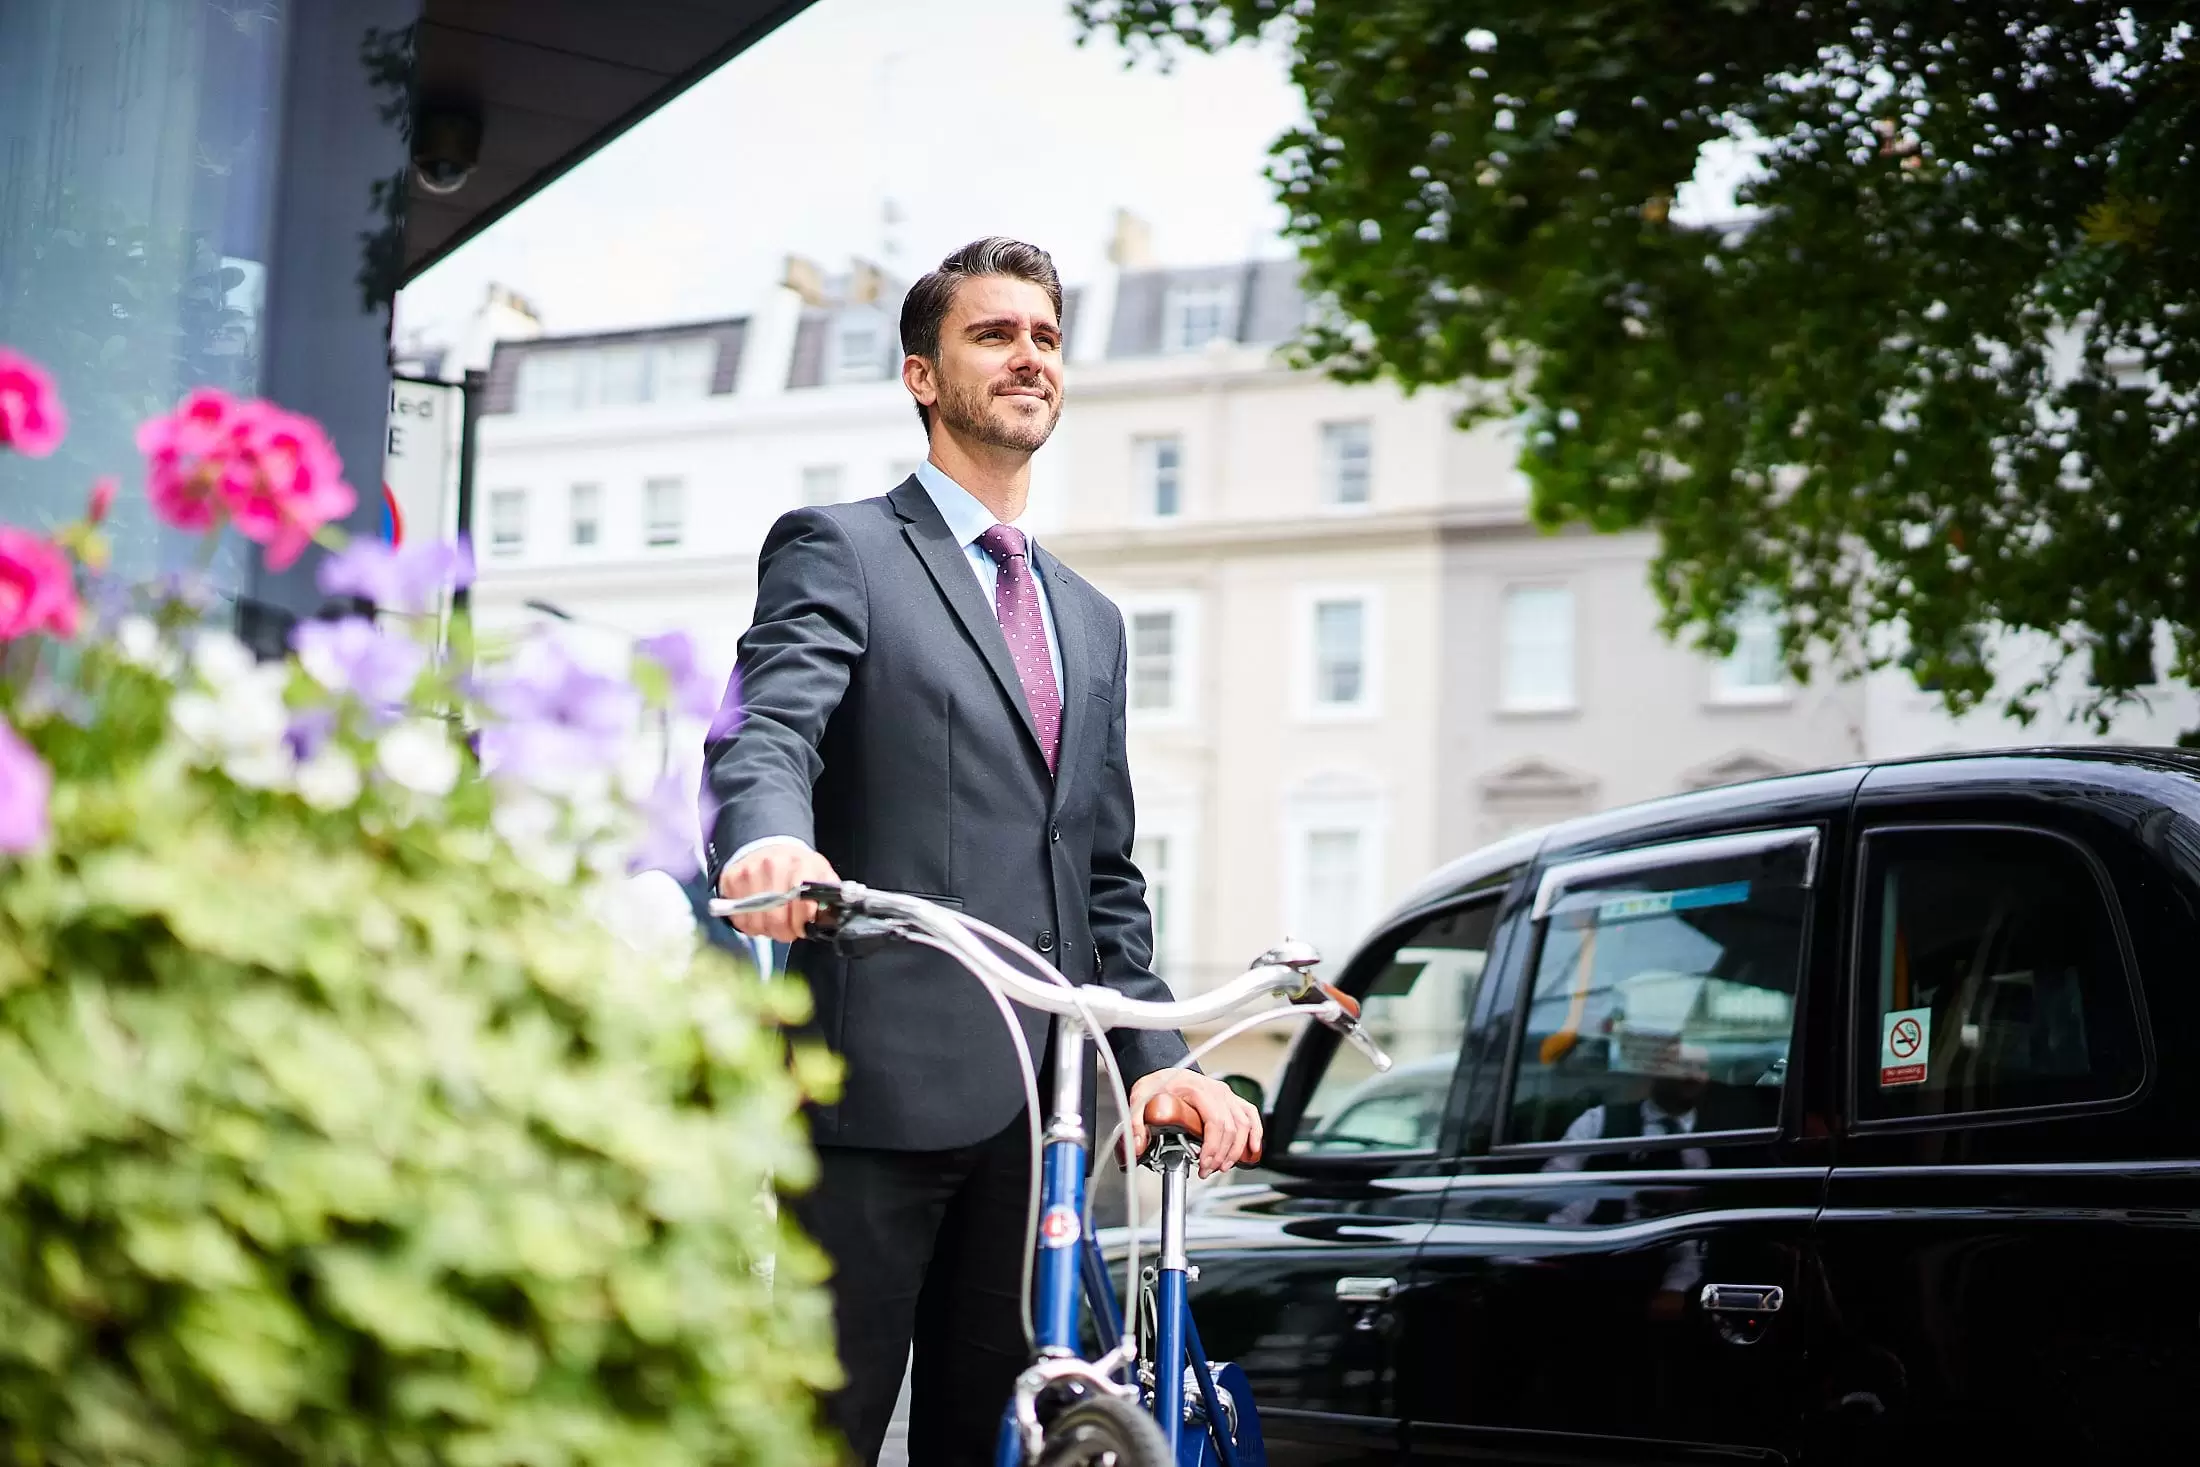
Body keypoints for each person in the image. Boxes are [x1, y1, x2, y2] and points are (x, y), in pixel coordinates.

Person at [704, 237, 1261, 1466]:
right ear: (921, 373)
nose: (1028, 357)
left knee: (995, 1440)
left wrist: (1155, 1060)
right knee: (818, 1433)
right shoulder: (839, 548)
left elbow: (1101, 870)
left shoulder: (1091, 622)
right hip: (871, 1097)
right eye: (994, 334)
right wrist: (773, 846)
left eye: (1047, 338)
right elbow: (767, 730)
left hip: (1038, 1115)